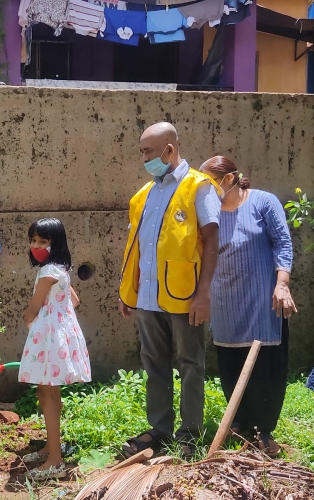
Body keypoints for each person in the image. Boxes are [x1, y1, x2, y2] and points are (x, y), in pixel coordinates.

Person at [118, 122, 221, 459]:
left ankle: (190, 435)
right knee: (154, 364)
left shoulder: (198, 187)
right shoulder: (145, 194)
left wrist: (203, 293)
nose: (144, 158)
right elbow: (137, 247)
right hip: (148, 297)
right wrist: (127, 290)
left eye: (148, 152)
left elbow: (211, 242)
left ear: (169, 150)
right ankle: (160, 431)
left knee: (191, 363)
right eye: (142, 152)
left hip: (185, 296)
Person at [200, 156, 295, 458]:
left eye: (210, 183)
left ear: (229, 180)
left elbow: (283, 242)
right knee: (230, 364)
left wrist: (282, 283)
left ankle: (264, 431)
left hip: (261, 300)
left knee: (266, 367)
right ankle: (239, 425)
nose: (206, 190)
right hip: (225, 301)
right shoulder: (209, 213)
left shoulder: (264, 203)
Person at [18, 218, 91, 480]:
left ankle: (55, 460)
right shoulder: (60, 268)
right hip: (57, 335)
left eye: (43, 241)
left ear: (55, 243)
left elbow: (34, 307)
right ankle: (52, 446)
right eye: (34, 240)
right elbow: (74, 300)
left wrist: (31, 322)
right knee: (47, 391)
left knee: (47, 393)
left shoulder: (48, 272)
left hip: (48, 338)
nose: (36, 245)